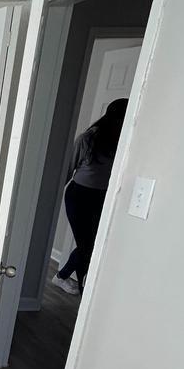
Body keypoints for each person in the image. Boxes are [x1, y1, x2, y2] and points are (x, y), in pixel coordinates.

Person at [53, 97, 128, 295]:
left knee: (94, 244)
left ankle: (71, 280)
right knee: (87, 245)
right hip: (79, 197)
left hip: (102, 197)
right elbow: (68, 170)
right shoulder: (88, 139)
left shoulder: (124, 141)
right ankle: (72, 282)